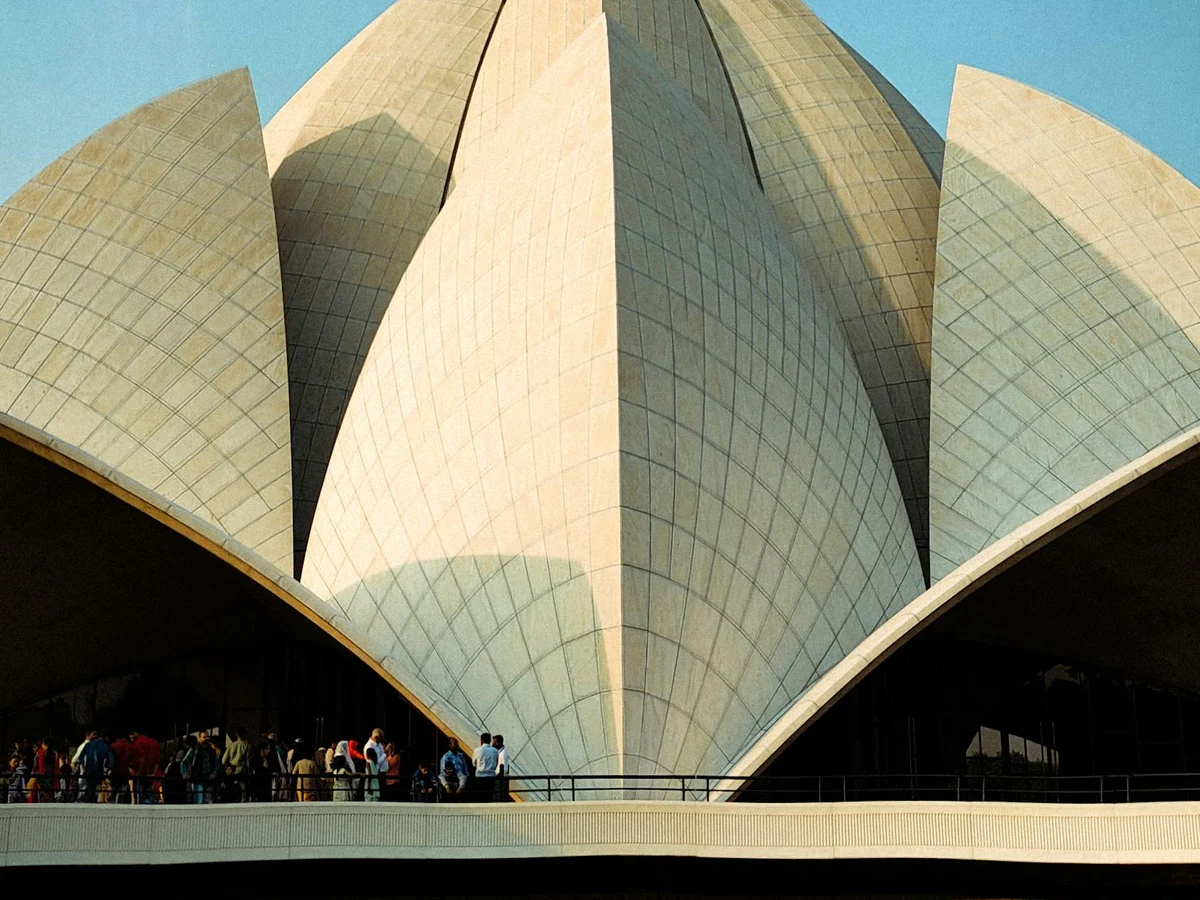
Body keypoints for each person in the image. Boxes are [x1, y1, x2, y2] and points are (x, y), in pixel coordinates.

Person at [75, 730, 111, 803]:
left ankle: (88, 802)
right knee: (97, 789)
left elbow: (80, 758)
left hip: (89, 770)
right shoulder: (105, 746)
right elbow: (111, 760)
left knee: (90, 788)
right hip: (99, 771)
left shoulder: (88, 745)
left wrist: (83, 768)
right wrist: (107, 770)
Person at [184, 731, 219, 804]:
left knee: (209, 802)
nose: (206, 738)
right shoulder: (194, 749)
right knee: (199, 802)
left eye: (207, 736)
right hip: (198, 779)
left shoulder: (212, 751)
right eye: (204, 737)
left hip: (208, 779)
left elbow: (216, 764)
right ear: (199, 738)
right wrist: (184, 773)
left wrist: (214, 773)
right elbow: (184, 762)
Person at [129, 730, 160, 804]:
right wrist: (154, 773)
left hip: (142, 774)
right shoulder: (154, 742)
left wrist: (138, 772)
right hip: (151, 774)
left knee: (140, 795)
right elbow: (157, 760)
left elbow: (141, 758)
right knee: (150, 794)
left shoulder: (138, 743)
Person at [221, 727, 249, 802]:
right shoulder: (246, 745)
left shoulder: (231, 745)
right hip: (241, 770)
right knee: (243, 789)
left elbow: (223, 760)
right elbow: (248, 760)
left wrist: (227, 766)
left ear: (236, 735)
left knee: (231, 789)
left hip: (231, 770)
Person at [472, 732, 498, 802]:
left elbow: (474, 763)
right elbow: (497, 763)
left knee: (479, 798)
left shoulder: (477, 750)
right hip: (491, 777)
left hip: (480, 777)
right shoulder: (495, 751)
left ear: (482, 740)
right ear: (489, 741)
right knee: (489, 798)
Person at [109, 734, 134, 804]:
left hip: (115, 771)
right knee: (123, 790)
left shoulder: (114, 745)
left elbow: (111, 760)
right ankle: (121, 801)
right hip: (125, 771)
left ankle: (113, 800)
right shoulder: (131, 746)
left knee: (114, 788)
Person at [492, 734, 510, 802]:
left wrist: (499, 775)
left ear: (497, 742)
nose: (492, 744)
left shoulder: (503, 753)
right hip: (499, 776)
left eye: (494, 742)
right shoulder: (499, 752)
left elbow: (504, 768)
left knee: (499, 795)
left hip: (501, 778)